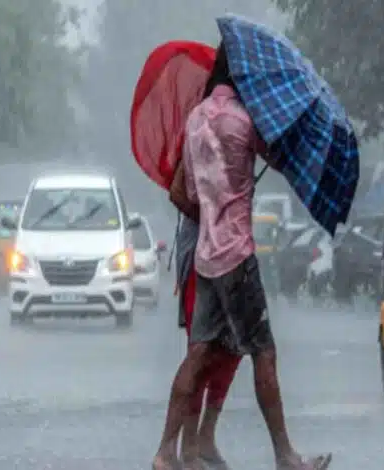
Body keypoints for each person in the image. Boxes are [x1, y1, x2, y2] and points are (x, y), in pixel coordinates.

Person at [153, 44, 331, 470]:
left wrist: (215, 207)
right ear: (243, 78)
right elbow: (283, 158)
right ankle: (285, 456)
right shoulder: (245, 122)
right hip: (237, 256)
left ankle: (164, 452)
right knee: (263, 353)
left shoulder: (196, 121)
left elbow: (188, 194)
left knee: (197, 355)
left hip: (205, 255)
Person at [176, 213, 241, 469]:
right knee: (201, 352)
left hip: (232, 254)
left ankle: (206, 436)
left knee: (232, 349)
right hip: (200, 259)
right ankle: (187, 446)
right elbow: (182, 194)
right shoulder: (196, 171)